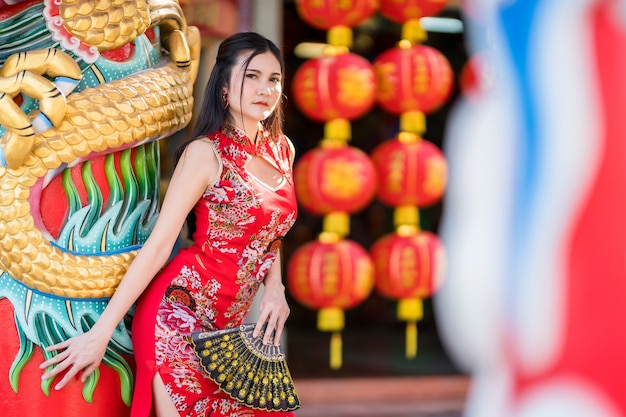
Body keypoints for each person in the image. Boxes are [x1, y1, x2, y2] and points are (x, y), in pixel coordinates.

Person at [40, 32, 298, 417]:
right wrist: (102, 332)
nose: (265, 88)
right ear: (225, 85)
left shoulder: (283, 150)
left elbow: (269, 232)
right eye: (252, 76)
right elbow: (160, 245)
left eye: (274, 79)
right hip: (177, 317)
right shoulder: (205, 154)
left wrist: (274, 289)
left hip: (231, 330)